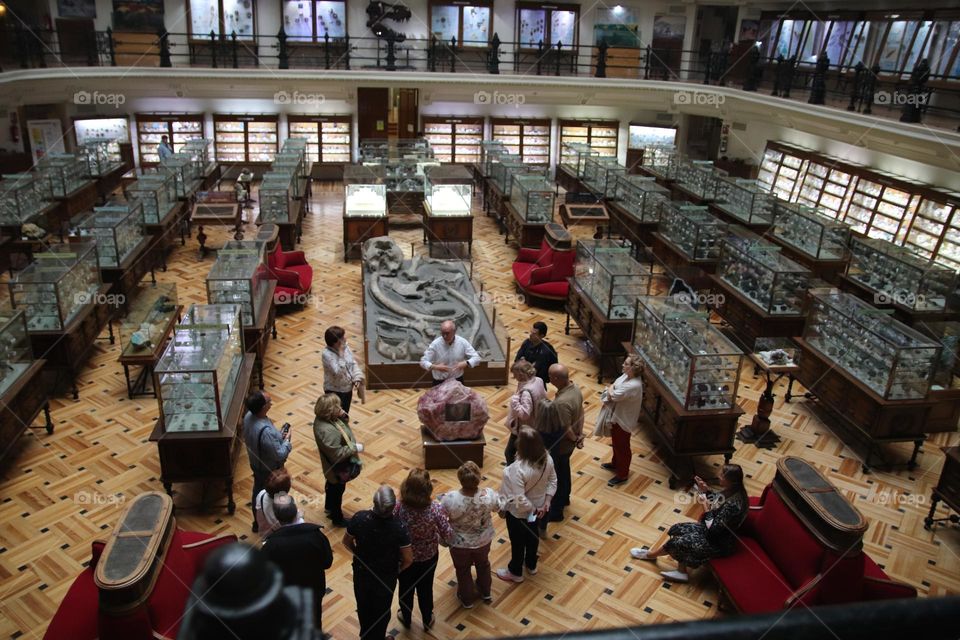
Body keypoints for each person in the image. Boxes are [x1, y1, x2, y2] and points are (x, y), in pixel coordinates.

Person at [629, 464, 749, 583]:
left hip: (719, 542)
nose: (719, 476)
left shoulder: (734, 505)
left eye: (722, 475)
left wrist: (705, 506)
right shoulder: (732, 490)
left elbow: (713, 528)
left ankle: (651, 555)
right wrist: (706, 490)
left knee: (678, 542)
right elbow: (718, 500)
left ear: (730, 480)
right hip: (712, 533)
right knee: (677, 529)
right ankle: (681, 571)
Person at [343, 485, 413, 639]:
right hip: (385, 577)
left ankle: (366, 636)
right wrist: (398, 570)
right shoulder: (399, 527)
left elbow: (346, 542)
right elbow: (408, 559)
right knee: (381, 611)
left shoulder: (359, 518)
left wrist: (358, 554)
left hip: (362, 572)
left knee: (363, 607)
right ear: (393, 506)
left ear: (374, 502)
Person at [260, 494, 333, 637]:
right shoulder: (316, 536)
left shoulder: (271, 545)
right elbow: (327, 562)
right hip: (313, 591)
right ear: (296, 510)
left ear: (276, 517)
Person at [394, 469, 453, 630]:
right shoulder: (435, 508)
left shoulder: (399, 507)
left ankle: (406, 618)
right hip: (428, 558)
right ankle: (427, 619)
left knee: (405, 589)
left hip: (404, 558)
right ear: (428, 488)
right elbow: (448, 534)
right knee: (425, 589)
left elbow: (390, 527)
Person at [496, 427, 557, 583]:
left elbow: (519, 499)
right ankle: (531, 564)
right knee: (532, 535)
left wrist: (535, 509)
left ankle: (515, 571)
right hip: (537, 510)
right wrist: (546, 503)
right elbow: (552, 481)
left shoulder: (517, 469)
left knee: (517, 541)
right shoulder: (547, 458)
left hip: (518, 513)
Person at [439, 461, 501, 608]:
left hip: (459, 544)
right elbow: (498, 507)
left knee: (462, 570)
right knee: (484, 565)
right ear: (478, 477)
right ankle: (486, 592)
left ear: (460, 479)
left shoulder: (450, 498)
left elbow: (441, 518)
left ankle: (466, 599)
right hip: (483, 541)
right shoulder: (489, 495)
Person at [537, 363, 583, 537]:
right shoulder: (575, 389)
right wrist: (580, 435)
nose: (548, 378)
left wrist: (575, 437)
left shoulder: (561, 403)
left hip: (561, 445)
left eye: (550, 376)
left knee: (555, 476)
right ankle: (565, 498)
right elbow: (581, 413)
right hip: (570, 444)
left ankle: (556, 511)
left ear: (556, 379)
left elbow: (565, 428)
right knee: (564, 470)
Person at [243, 391, 291, 533]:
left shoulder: (248, 416)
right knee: (277, 494)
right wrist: (287, 440)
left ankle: (257, 522)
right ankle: (280, 523)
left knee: (257, 491)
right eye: (269, 402)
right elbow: (280, 455)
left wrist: (278, 438)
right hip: (268, 468)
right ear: (263, 407)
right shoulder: (266, 432)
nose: (271, 403)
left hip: (256, 463)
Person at [313, 393, 363, 528]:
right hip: (337, 468)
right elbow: (337, 454)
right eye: (337, 406)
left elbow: (342, 426)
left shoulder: (325, 419)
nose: (340, 408)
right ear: (329, 411)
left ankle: (329, 508)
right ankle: (337, 517)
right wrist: (354, 448)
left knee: (331, 486)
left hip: (332, 469)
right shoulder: (328, 431)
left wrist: (342, 415)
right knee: (337, 491)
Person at [600, 356, 645, 487]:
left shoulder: (633, 385)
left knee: (622, 447)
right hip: (618, 416)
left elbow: (612, 394)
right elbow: (614, 385)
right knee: (616, 443)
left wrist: (610, 389)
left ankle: (622, 474)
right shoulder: (626, 376)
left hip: (624, 420)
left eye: (625, 364)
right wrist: (611, 389)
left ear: (632, 368)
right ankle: (615, 463)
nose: (622, 365)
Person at [505, 359, 547, 465]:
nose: (514, 377)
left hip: (524, 427)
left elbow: (524, 415)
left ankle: (513, 473)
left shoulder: (526, 392)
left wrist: (515, 402)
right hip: (536, 424)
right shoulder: (538, 380)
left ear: (521, 374)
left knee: (510, 453)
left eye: (515, 374)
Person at [420, 319, 480, 385]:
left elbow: (477, 358)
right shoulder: (435, 344)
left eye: (447, 333)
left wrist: (466, 363)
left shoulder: (462, 342)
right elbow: (423, 362)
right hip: (440, 381)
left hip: (457, 380)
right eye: (443, 333)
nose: (445, 336)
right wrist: (436, 367)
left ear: (454, 332)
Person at [322, 325, 365, 415]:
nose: (345, 339)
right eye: (341, 338)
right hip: (335, 391)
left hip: (347, 388)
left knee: (345, 413)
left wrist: (356, 377)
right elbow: (338, 372)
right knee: (335, 415)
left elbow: (352, 363)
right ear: (335, 343)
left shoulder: (345, 348)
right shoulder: (327, 355)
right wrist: (341, 355)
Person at [254, 467, 303, 538]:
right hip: (279, 538)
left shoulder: (261, 494)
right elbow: (294, 525)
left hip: (264, 532)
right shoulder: (284, 511)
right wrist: (300, 515)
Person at [514, 322, 558, 386]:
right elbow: (517, 360)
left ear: (542, 336)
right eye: (531, 332)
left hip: (537, 382)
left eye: (534, 334)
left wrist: (524, 363)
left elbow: (535, 371)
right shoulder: (527, 342)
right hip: (524, 378)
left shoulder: (545, 352)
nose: (530, 335)